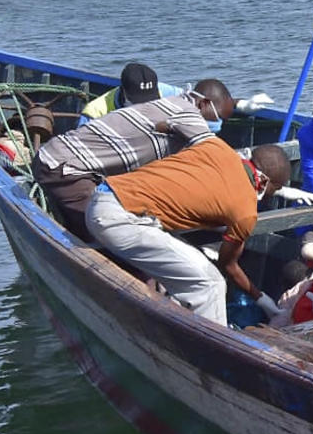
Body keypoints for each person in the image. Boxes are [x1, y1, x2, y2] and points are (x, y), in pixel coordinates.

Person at [85, 139, 290, 326]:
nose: (270, 196)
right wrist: (261, 298)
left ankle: (181, 314)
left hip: (103, 195)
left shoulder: (216, 146)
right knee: (211, 284)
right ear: (263, 183)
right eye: (275, 189)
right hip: (119, 221)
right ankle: (214, 350)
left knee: (192, 268)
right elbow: (228, 265)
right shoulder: (246, 211)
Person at [32, 79, 234, 241]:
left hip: (81, 164)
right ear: (203, 104)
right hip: (61, 167)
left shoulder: (174, 100)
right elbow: (214, 153)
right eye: (219, 119)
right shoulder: (189, 115)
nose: (218, 125)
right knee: (108, 228)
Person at [78, 63, 272, 130]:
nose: (146, 107)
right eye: (139, 103)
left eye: (151, 101)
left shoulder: (164, 92)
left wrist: (238, 104)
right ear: (124, 94)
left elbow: (204, 105)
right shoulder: (94, 114)